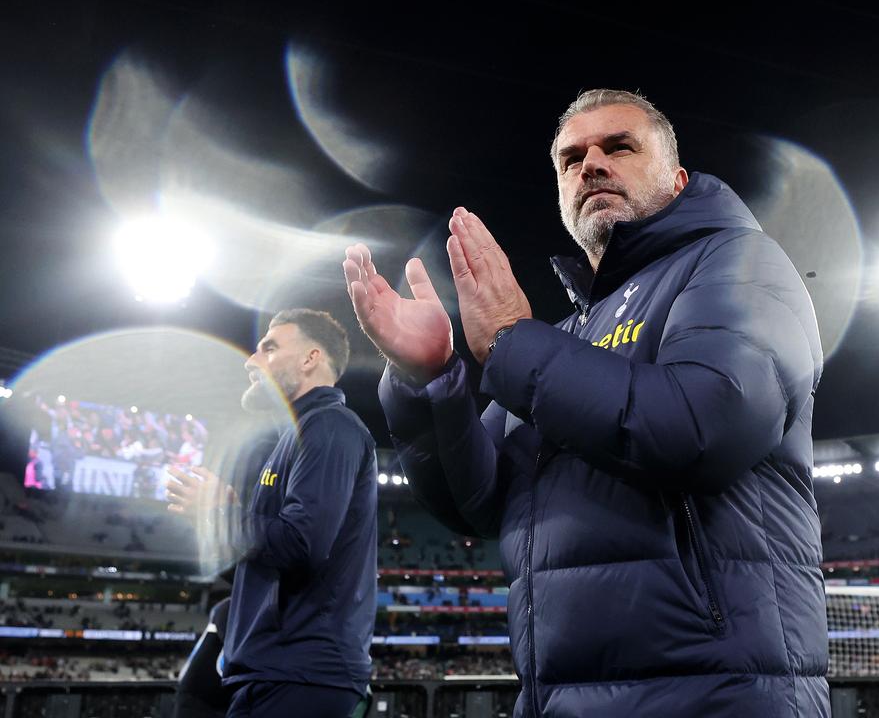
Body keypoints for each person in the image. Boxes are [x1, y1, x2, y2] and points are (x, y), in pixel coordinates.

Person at [343, 90, 828, 717]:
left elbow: (707, 424)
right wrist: (429, 381)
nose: (591, 164)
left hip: (714, 691)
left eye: (618, 147)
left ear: (677, 179)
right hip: (559, 696)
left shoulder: (740, 263)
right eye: (570, 159)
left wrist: (514, 342)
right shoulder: (569, 337)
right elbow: (480, 501)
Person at [167, 308, 377, 718]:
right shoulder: (298, 436)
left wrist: (221, 517)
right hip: (274, 673)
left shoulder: (329, 427)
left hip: (301, 675)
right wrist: (226, 518)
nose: (251, 360)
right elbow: (265, 570)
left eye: (269, 347)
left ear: (310, 358)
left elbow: (301, 546)